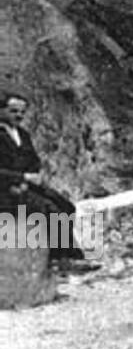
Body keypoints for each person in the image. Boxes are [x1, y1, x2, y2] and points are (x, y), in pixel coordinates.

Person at [0, 92, 82, 259]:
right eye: (13, 111)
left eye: (22, 112)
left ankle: (61, 254)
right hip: (4, 191)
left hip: (24, 186)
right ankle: (64, 259)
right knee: (50, 210)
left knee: (66, 206)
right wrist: (21, 178)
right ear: (1, 111)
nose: (19, 115)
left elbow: (34, 161)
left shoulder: (22, 134)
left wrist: (32, 176)